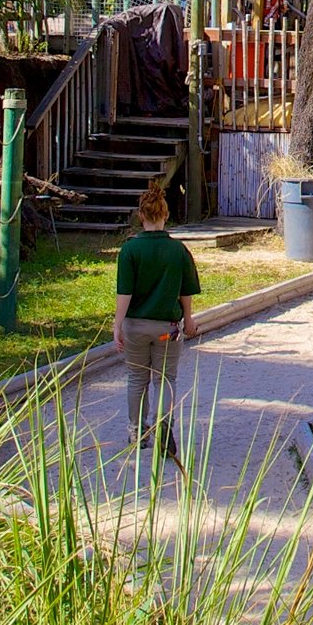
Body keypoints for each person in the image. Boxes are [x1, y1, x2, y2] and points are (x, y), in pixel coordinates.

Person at [113, 186, 201, 466]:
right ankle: (164, 426)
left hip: (136, 327)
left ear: (141, 216)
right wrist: (188, 318)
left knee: (137, 380)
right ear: (166, 214)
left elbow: (124, 293)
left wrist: (117, 325)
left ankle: (137, 432)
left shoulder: (130, 250)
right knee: (166, 379)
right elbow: (186, 290)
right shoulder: (178, 250)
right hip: (168, 328)